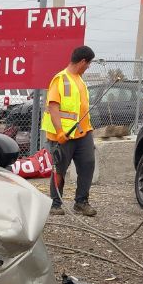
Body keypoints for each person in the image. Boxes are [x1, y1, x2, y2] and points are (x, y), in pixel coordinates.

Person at [41, 45, 97, 216]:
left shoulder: (79, 80)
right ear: (82, 61)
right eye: (88, 64)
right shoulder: (61, 79)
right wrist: (59, 131)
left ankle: (81, 202)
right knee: (60, 168)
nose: (88, 67)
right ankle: (55, 204)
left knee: (88, 164)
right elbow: (53, 108)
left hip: (83, 133)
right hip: (64, 135)